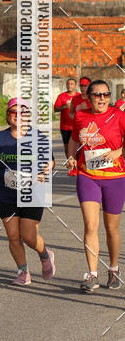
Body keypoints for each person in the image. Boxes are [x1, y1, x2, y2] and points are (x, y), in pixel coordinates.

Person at [0, 98, 56, 286]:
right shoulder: (0, 138)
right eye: (13, 112)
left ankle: (45, 254)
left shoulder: (37, 136)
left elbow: (50, 161)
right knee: (13, 236)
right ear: (8, 116)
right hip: (7, 195)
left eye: (21, 112)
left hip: (33, 194)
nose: (17, 116)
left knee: (29, 236)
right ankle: (23, 271)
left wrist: (43, 172)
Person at [66, 80, 125, 292]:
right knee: (91, 226)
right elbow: (74, 139)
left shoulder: (119, 115)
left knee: (111, 228)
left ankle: (113, 268)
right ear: (88, 97)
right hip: (87, 175)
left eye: (106, 94)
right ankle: (92, 275)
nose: (102, 98)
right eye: (97, 95)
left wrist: (119, 152)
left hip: (115, 177)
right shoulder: (81, 116)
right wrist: (71, 156)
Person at [54, 77, 78, 157]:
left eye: (72, 84)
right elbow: (56, 108)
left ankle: (77, 164)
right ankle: (69, 164)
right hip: (65, 127)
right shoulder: (62, 96)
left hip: (77, 126)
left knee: (78, 147)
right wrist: (65, 106)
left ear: (75, 86)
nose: (69, 85)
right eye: (68, 84)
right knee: (67, 147)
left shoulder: (79, 96)